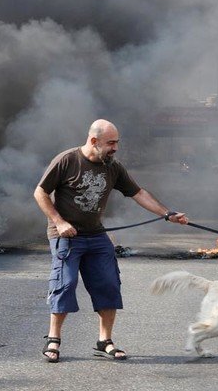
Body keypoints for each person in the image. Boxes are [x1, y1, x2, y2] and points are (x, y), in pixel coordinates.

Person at [33, 119, 188, 363]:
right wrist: (59, 222)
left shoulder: (113, 167)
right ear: (94, 141)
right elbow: (40, 192)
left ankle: (104, 341)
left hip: (96, 235)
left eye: (117, 143)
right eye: (111, 143)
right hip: (66, 236)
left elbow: (138, 193)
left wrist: (167, 214)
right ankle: (54, 339)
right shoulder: (67, 160)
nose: (115, 148)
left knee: (108, 284)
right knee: (66, 283)